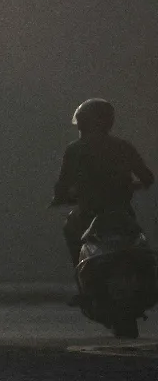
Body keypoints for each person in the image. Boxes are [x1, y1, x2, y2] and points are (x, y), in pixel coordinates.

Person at [51, 99, 154, 299]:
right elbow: (147, 178)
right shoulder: (123, 146)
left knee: (70, 231)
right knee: (139, 241)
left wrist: (60, 197)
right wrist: (133, 186)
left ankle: (82, 286)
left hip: (88, 212)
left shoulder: (75, 149)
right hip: (122, 211)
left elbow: (62, 185)